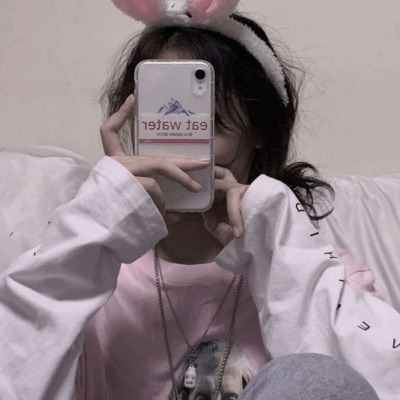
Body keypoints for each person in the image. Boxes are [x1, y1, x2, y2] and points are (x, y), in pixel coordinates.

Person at [0, 1, 399, 399]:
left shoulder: (317, 271)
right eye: (162, 124)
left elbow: (373, 385)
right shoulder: (92, 278)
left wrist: (278, 249)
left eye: (209, 124)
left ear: (259, 130)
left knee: (316, 378)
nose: (180, 150)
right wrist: (93, 227)